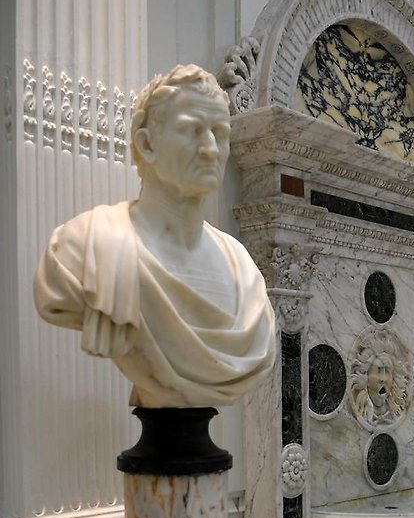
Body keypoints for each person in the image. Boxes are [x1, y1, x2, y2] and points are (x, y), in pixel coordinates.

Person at [34, 65, 275, 408]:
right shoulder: (85, 247)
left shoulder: (244, 272)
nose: (210, 149)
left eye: (220, 133)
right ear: (146, 144)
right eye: (191, 130)